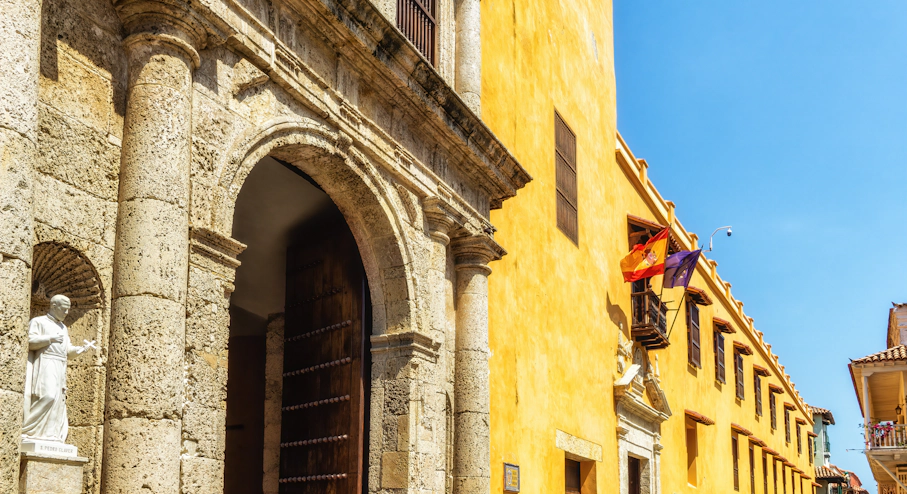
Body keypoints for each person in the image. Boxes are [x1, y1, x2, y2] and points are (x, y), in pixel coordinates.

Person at [21, 294, 96, 441]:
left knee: (58, 400)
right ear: (54, 306)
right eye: (64, 309)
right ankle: (29, 430)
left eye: (68, 310)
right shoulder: (38, 321)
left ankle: (50, 435)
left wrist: (80, 349)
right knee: (47, 396)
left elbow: (67, 350)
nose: (67, 313)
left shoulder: (63, 327)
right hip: (45, 362)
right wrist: (50, 339)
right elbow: (29, 341)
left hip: (60, 364)